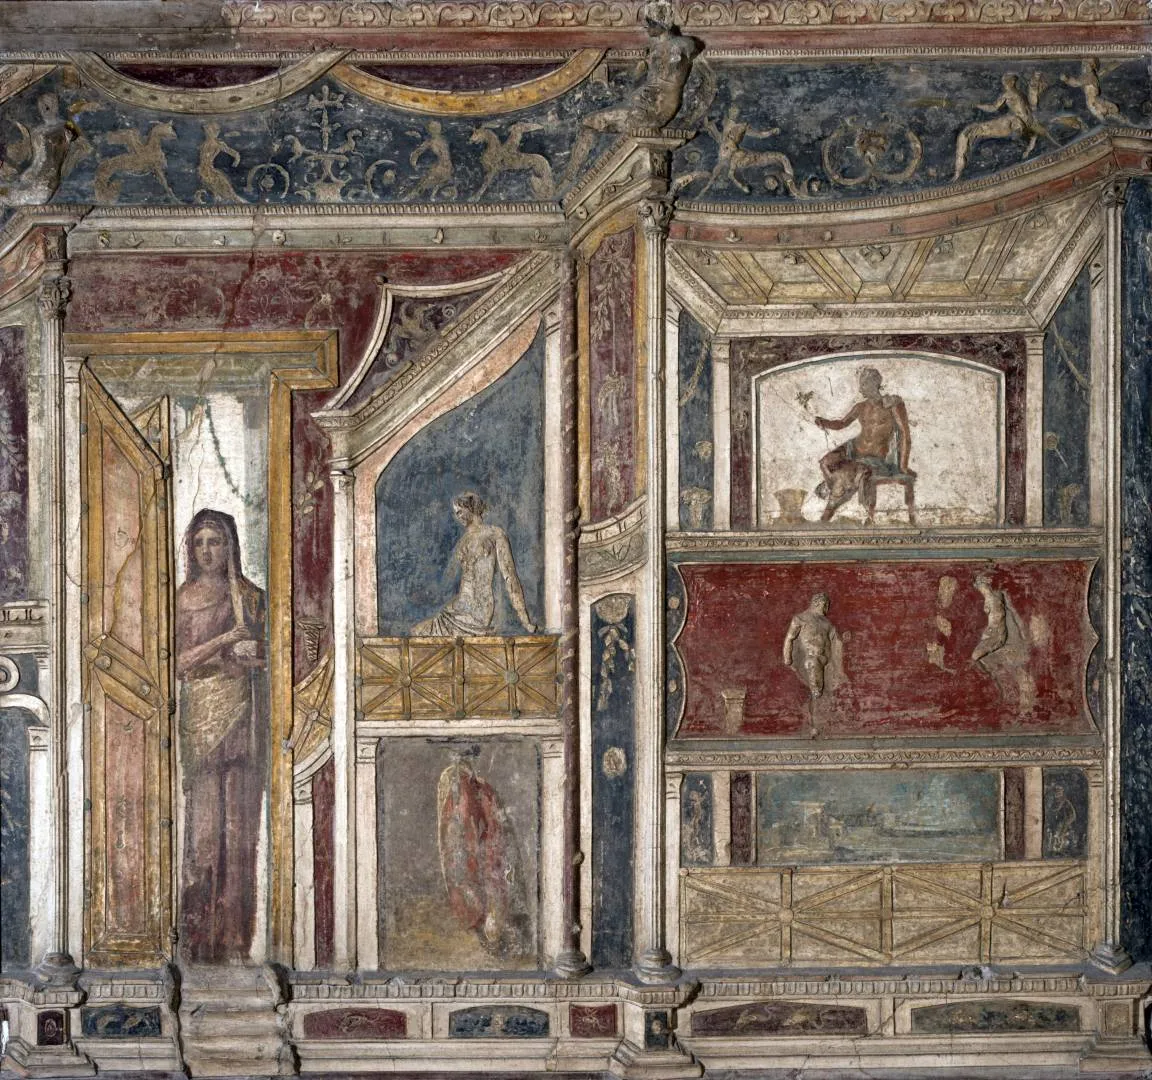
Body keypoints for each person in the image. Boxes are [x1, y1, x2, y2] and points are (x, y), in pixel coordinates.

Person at [175, 509, 267, 964]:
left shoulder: (249, 597)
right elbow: (178, 663)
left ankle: (235, 942)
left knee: (240, 834)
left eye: (215, 542)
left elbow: (267, 656)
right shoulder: (180, 599)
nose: (207, 551)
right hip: (199, 721)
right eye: (200, 543)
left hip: (241, 718)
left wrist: (252, 654)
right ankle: (198, 940)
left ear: (230, 546)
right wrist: (225, 640)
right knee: (204, 835)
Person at [414, 493, 536, 636]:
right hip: (459, 607)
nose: (457, 516)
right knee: (417, 631)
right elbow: (448, 580)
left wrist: (525, 619)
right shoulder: (463, 540)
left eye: (460, 511)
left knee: (421, 632)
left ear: (470, 508)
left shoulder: (494, 534)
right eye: (456, 513)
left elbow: (510, 577)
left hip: (479, 611)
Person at [813, 367, 914, 524]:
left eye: (864, 384)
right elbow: (842, 423)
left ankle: (827, 513)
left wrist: (903, 465)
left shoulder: (892, 404)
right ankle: (835, 485)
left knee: (843, 476)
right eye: (861, 384)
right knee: (825, 463)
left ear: (875, 383)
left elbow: (905, 434)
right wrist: (824, 422)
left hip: (875, 457)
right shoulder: (860, 407)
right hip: (853, 448)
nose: (861, 388)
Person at [782, 592, 841, 699]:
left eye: (827, 605)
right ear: (816, 603)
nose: (826, 608)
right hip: (811, 657)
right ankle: (816, 690)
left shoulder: (827, 623)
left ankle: (819, 689)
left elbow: (832, 640)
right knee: (813, 663)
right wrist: (787, 657)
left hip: (825, 658)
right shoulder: (801, 619)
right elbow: (790, 638)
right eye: (824, 604)